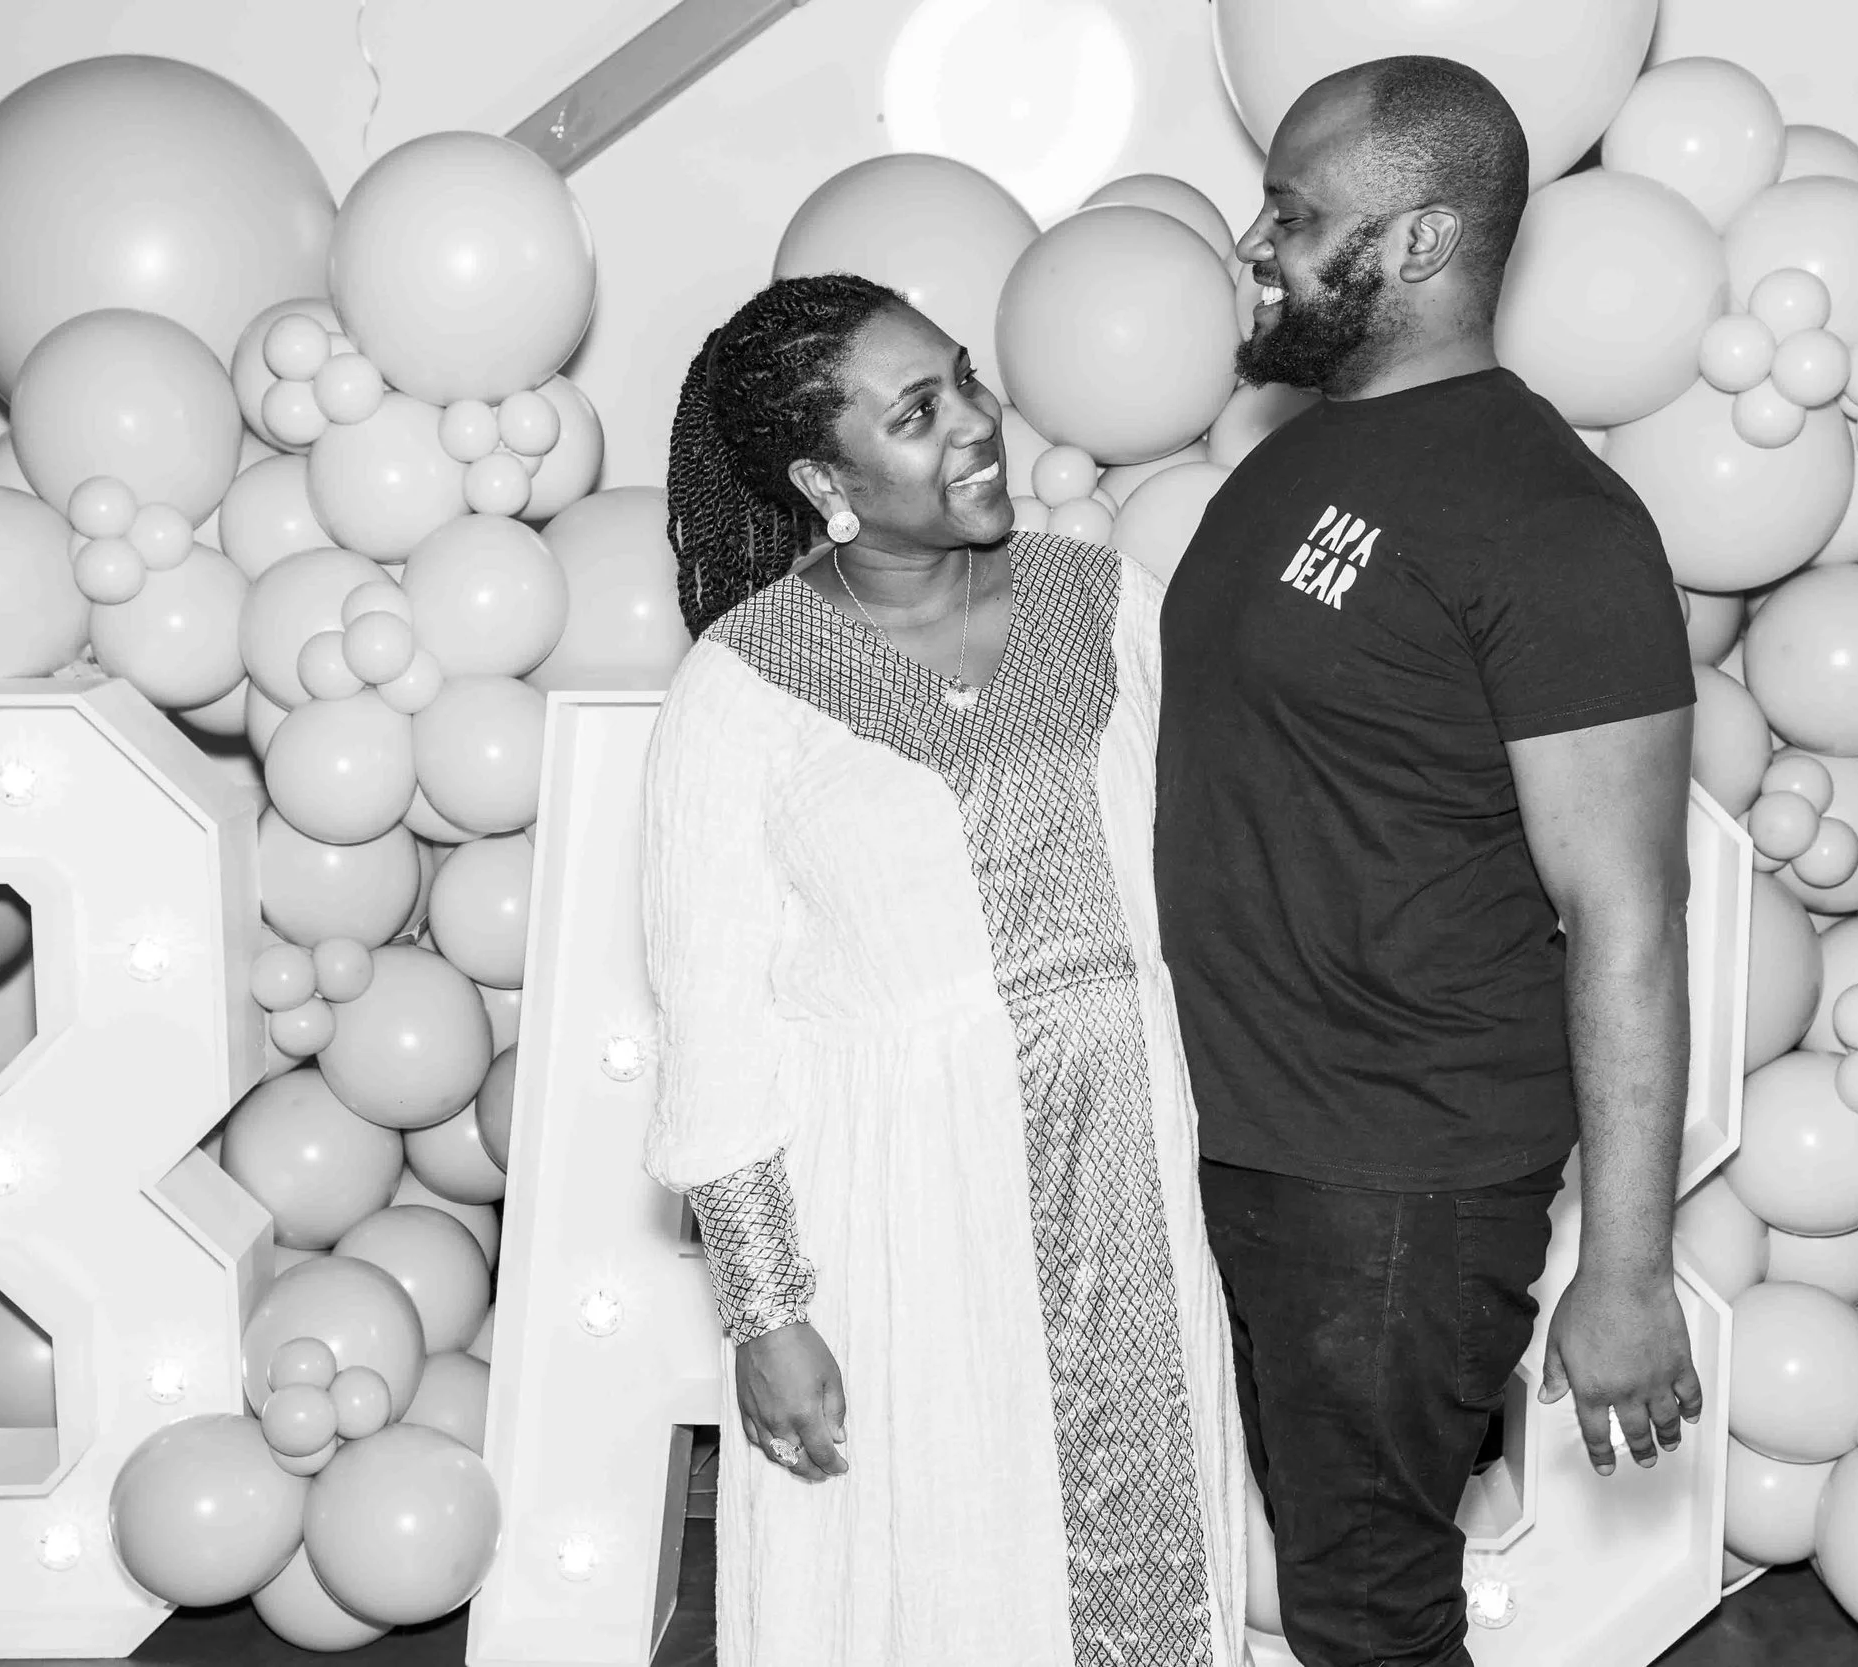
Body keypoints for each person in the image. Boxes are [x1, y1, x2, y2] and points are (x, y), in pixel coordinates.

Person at [1154, 55, 1705, 1667]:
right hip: (1266, 1141)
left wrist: (1627, 1268)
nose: (1258, 244)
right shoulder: (1298, 457)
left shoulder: (1551, 518)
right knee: (1340, 1591)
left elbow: (1628, 912)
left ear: (1420, 244)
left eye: (1297, 214)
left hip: (1393, 1175)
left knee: (1367, 1617)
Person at [640, 271, 1249, 1667]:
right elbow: (713, 1019)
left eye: (966, 380)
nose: (976, 422)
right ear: (821, 475)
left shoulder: (1110, 598)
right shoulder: (743, 685)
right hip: (904, 1209)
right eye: (918, 413)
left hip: (1142, 1175)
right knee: (951, 1567)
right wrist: (767, 1312)